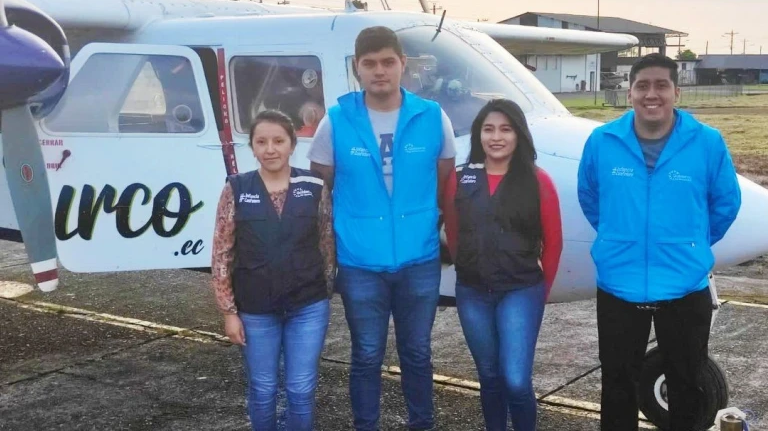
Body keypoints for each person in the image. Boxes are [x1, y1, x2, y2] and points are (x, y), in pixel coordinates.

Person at [577, 53, 742, 431]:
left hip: (685, 284)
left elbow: (726, 204)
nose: (652, 94)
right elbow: (590, 198)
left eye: (661, 85)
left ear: (677, 93)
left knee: (685, 385)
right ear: (630, 92)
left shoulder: (707, 142)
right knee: (617, 386)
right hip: (619, 283)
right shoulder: (602, 141)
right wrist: (623, 240)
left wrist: (688, 245)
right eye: (643, 86)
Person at [308, 25, 457, 431]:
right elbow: (323, 184)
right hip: (359, 263)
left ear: (402, 65)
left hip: (419, 259)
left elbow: (445, 181)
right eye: (369, 63)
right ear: (356, 68)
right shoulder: (336, 121)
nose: (380, 71)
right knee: (367, 354)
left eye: (388, 62)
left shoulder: (432, 117)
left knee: (417, 353)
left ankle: (421, 424)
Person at [441, 99, 563, 431]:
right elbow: (452, 231)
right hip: (473, 292)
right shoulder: (460, 179)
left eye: (506, 129)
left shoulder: (538, 181)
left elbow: (553, 243)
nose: (497, 137)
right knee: (490, 376)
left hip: (521, 290)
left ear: (519, 135)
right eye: (488, 129)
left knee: (515, 379)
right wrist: (467, 266)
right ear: (478, 134)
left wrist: (541, 293)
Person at [211, 110, 336, 431]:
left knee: (300, 390)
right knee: (263, 390)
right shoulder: (236, 188)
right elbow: (222, 253)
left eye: (278, 141)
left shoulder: (314, 186)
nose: (270, 149)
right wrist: (229, 311)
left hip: (307, 307)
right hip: (255, 310)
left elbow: (326, 244)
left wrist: (324, 294)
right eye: (261, 141)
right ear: (251, 147)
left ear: (292, 144)